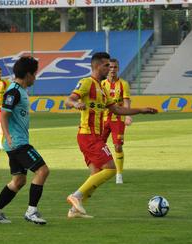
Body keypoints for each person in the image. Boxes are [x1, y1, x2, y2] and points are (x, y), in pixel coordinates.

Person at [65, 52, 157, 218]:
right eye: (107, 65)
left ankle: (74, 211)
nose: (110, 69)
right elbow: (69, 99)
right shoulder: (87, 83)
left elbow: (117, 109)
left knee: (95, 175)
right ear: (98, 66)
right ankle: (75, 196)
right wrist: (75, 103)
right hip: (89, 135)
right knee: (110, 169)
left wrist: (140, 110)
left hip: (93, 137)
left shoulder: (102, 89)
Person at [0, 56, 49, 225]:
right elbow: (3, 114)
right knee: (42, 171)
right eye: (34, 74)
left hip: (14, 143)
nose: (35, 77)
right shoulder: (13, 91)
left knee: (19, 181)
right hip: (18, 143)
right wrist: (7, 136)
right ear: (28, 74)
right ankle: (31, 211)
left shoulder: (18, 90)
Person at [101, 59, 132, 184]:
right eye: (110, 67)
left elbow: (126, 101)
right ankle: (100, 170)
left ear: (118, 68)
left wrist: (128, 115)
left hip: (117, 119)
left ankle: (119, 173)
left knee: (118, 146)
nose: (112, 69)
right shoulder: (102, 84)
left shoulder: (123, 84)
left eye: (115, 67)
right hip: (102, 119)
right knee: (98, 146)